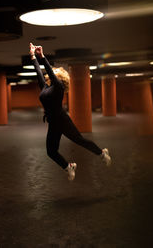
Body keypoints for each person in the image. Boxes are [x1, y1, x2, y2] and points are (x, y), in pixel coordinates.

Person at [29, 43, 111, 181]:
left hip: (62, 120)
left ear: (60, 78)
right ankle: (69, 166)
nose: (52, 73)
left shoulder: (58, 87)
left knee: (79, 140)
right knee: (51, 152)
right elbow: (38, 72)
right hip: (53, 122)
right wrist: (32, 56)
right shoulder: (45, 87)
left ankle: (102, 153)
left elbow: (49, 71)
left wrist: (42, 56)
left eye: (55, 73)